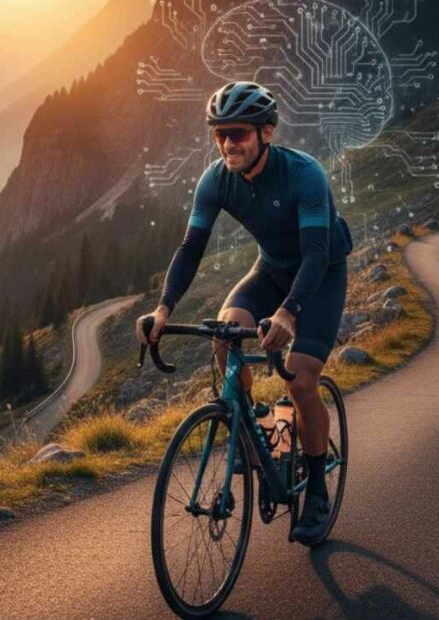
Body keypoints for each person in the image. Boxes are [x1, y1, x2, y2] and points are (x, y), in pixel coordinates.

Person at [135, 81, 353, 545]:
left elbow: (315, 254)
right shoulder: (216, 179)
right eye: (219, 134)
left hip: (321, 274)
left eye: (238, 133)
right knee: (225, 332)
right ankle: (253, 423)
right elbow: (191, 247)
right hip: (270, 269)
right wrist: (161, 309)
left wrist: (289, 314)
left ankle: (315, 490)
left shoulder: (304, 175)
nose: (228, 144)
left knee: (300, 378)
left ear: (266, 133)